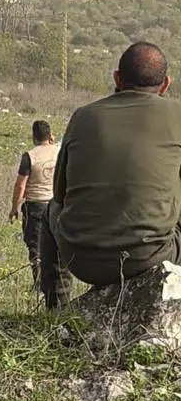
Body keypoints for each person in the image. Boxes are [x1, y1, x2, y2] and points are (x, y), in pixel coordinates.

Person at [40, 42, 181, 309]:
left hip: (80, 258)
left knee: (50, 210)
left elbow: (60, 194)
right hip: (150, 256)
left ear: (117, 78)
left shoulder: (83, 117)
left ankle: (55, 306)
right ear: (166, 84)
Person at [9, 120, 58, 285]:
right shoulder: (58, 152)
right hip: (55, 203)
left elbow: (21, 184)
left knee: (35, 247)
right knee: (56, 244)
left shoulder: (30, 156)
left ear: (33, 136)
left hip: (35, 206)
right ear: (50, 135)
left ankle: (38, 282)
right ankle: (53, 281)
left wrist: (14, 207)